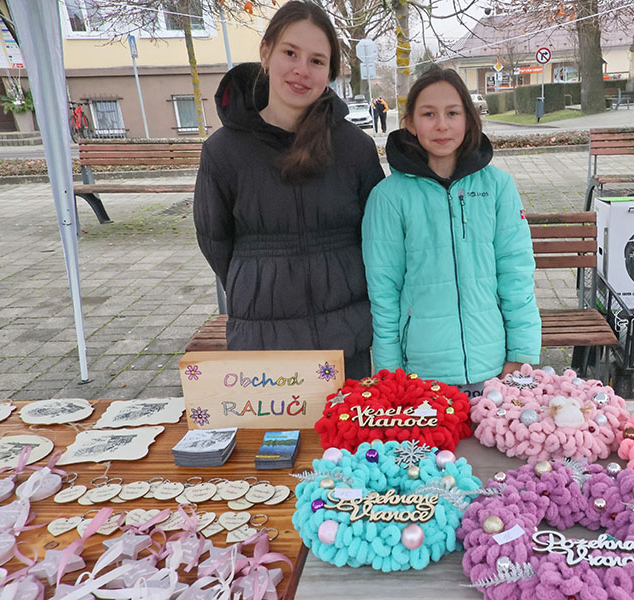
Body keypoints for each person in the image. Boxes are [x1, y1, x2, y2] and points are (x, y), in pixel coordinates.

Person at [193, 1, 385, 379]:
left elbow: (379, 237)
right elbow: (215, 240)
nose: (301, 70)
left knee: (348, 421)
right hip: (263, 340)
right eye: (290, 53)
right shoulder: (223, 151)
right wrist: (259, 279)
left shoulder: (355, 148)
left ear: (330, 72)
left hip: (344, 337)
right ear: (266, 52)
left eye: (317, 60)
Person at [362, 66, 540, 390]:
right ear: (410, 123)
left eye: (452, 113)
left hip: (493, 368)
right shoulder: (388, 198)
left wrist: (521, 353)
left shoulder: (498, 187)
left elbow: (516, 274)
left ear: (468, 119)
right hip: (421, 374)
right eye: (429, 114)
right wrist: (389, 374)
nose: (441, 125)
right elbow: (383, 291)